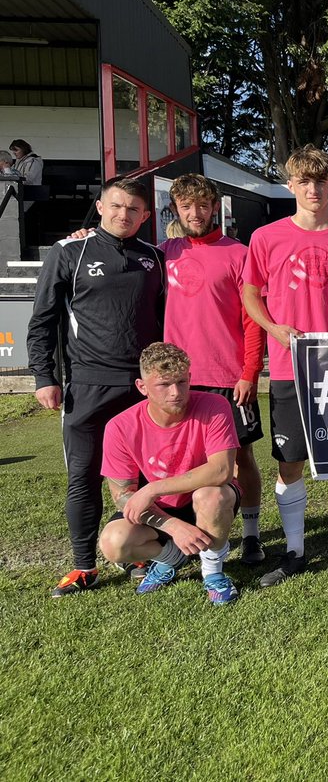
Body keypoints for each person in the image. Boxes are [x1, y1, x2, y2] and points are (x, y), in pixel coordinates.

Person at [242, 144, 328, 586]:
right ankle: (295, 552)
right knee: (290, 461)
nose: (314, 189)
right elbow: (250, 295)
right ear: (291, 186)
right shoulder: (267, 237)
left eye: (321, 181)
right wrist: (274, 328)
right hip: (288, 365)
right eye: (305, 182)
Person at [28, 175, 165, 598]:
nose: (124, 214)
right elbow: (43, 320)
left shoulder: (154, 257)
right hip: (87, 385)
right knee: (83, 476)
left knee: (141, 476)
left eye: (134, 209)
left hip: (141, 388)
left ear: (145, 216)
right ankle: (83, 565)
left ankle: (141, 554)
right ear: (101, 206)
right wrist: (44, 377)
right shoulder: (70, 250)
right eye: (117, 205)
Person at [160, 174, 266, 566]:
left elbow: (253, 319)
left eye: (202, 205)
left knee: (243, 458)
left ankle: (252, 534)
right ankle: (188, 536)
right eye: (186, 206)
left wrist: (250, 371)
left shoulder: (238, 253)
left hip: (228, 377)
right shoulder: (163, 253)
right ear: (175, 209)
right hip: (179, 380)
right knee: (183, 462)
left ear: (214, 207)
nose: (195, 213)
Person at [97, 343, 242, 605]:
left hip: (207, 497)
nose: (176, 393)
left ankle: (213, 573)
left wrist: (152, 488)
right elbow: (122, 495)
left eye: (182, 382)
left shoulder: (215, 405)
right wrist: (173, 526)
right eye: (164, 385)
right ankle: (170, 559)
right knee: (113, 542)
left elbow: (221, 470)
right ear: (142, 387)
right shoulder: (119, 427)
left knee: (211, 496)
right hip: (162, 510)